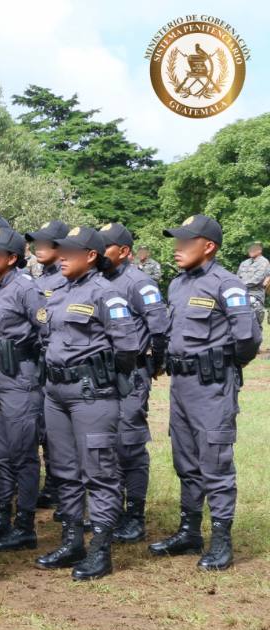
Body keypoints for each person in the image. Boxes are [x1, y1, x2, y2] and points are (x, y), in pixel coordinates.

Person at [152, 215, 261, 570]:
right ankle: (189, 532)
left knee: (215, 462)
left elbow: (248, 338)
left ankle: (221, 540)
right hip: (181, 386)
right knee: (186, 460)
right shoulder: (177, 284)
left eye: (186, 242)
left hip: (212, 386)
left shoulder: (226, 284)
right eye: (177, 241)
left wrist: (222, 366)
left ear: (209, 246)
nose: (177, 248)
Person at [35, 226, 141, 581]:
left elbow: (127, 348)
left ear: (91, 256)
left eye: (69, 251)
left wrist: (102, 376)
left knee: (99, 472)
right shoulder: (57, 293)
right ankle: (72, 541)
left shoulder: (107, 294)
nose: (61, 256)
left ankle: (100, 549)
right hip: (56, 393)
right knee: (64, 470)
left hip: (90, 394)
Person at [0, 228, 45, 552]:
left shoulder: (26, 288)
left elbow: (47, 329)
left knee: (23, 455)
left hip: (20, 377)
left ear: (13, 258)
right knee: (0, 453)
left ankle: (25, 525)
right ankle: (1, 516)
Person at [99, 223, 170, 543]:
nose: (98, 252)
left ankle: (135, 516)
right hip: (100, 376)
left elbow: (159, 327)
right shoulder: (97, 279)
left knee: (129, 445)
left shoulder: (139, 282)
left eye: (105, 247)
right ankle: (110, 511)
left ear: (124, 251)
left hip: (131, 374)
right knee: (105, 444)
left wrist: (155, 363)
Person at [25, 220, 70, 513]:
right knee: (43, 426)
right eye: (36, 243)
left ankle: (59, 484)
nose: (38, 247)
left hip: (58, 362)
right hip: (37, 362)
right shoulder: (36, 280)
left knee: (58, 431)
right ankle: (53, 482)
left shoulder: (67, 279)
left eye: (45, 243)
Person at [236, 241, 269, 327]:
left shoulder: (264, 262)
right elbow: (237, 277)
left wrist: (239, 285)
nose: (251, 251)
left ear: (259, 250)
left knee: (254, 323)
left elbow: (256, 280)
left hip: (255, 295)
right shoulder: (244, 263)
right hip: (241, 293)